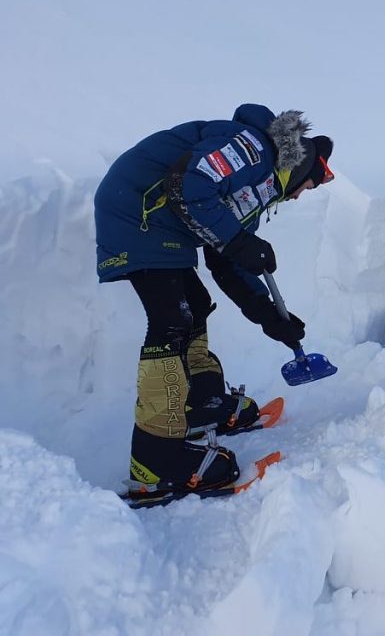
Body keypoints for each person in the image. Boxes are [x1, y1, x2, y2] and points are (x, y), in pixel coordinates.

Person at [94, 103, 334, 495]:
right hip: (139, 211)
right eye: (310, 187)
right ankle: (156, 462)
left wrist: (269, 314)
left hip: (159, 219)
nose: (301, 196)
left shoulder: (260, 186)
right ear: (304, 169)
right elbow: (190, 188)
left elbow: (226, 259)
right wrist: (241, 241)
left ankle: (202, 404)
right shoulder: (254, 147)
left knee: (195, 304)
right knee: (172, 319)